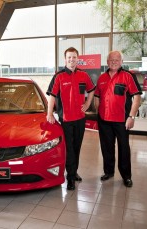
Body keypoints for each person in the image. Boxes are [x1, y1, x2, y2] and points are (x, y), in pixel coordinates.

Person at [46, 47, 95, 190]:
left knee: (77, 147)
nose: (71, 60)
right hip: (66, 120)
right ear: (65, 59)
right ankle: (71, 178)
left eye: (74, 57)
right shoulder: (59, 76)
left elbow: (91, 90)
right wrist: (49, 114)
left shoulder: (83, 75)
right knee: (69, 149)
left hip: (80, 118)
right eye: (69, 57)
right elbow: (52, 96)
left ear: (77, 58)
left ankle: (74, 171)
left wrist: (87, 103)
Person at [94, 50, 142, 188]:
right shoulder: (102, 77)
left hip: (122, 121)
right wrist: (98, 111)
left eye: (116, 59)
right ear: (107, 62)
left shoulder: (128, 76)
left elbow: (137, 97)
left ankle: (126, 176)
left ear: (121, 61)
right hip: (104, 120)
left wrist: (131, 116)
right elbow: (97, 96)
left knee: (124, 149)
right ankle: (108, 172)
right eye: (111, 59)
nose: (113, 62)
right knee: (106, 148)